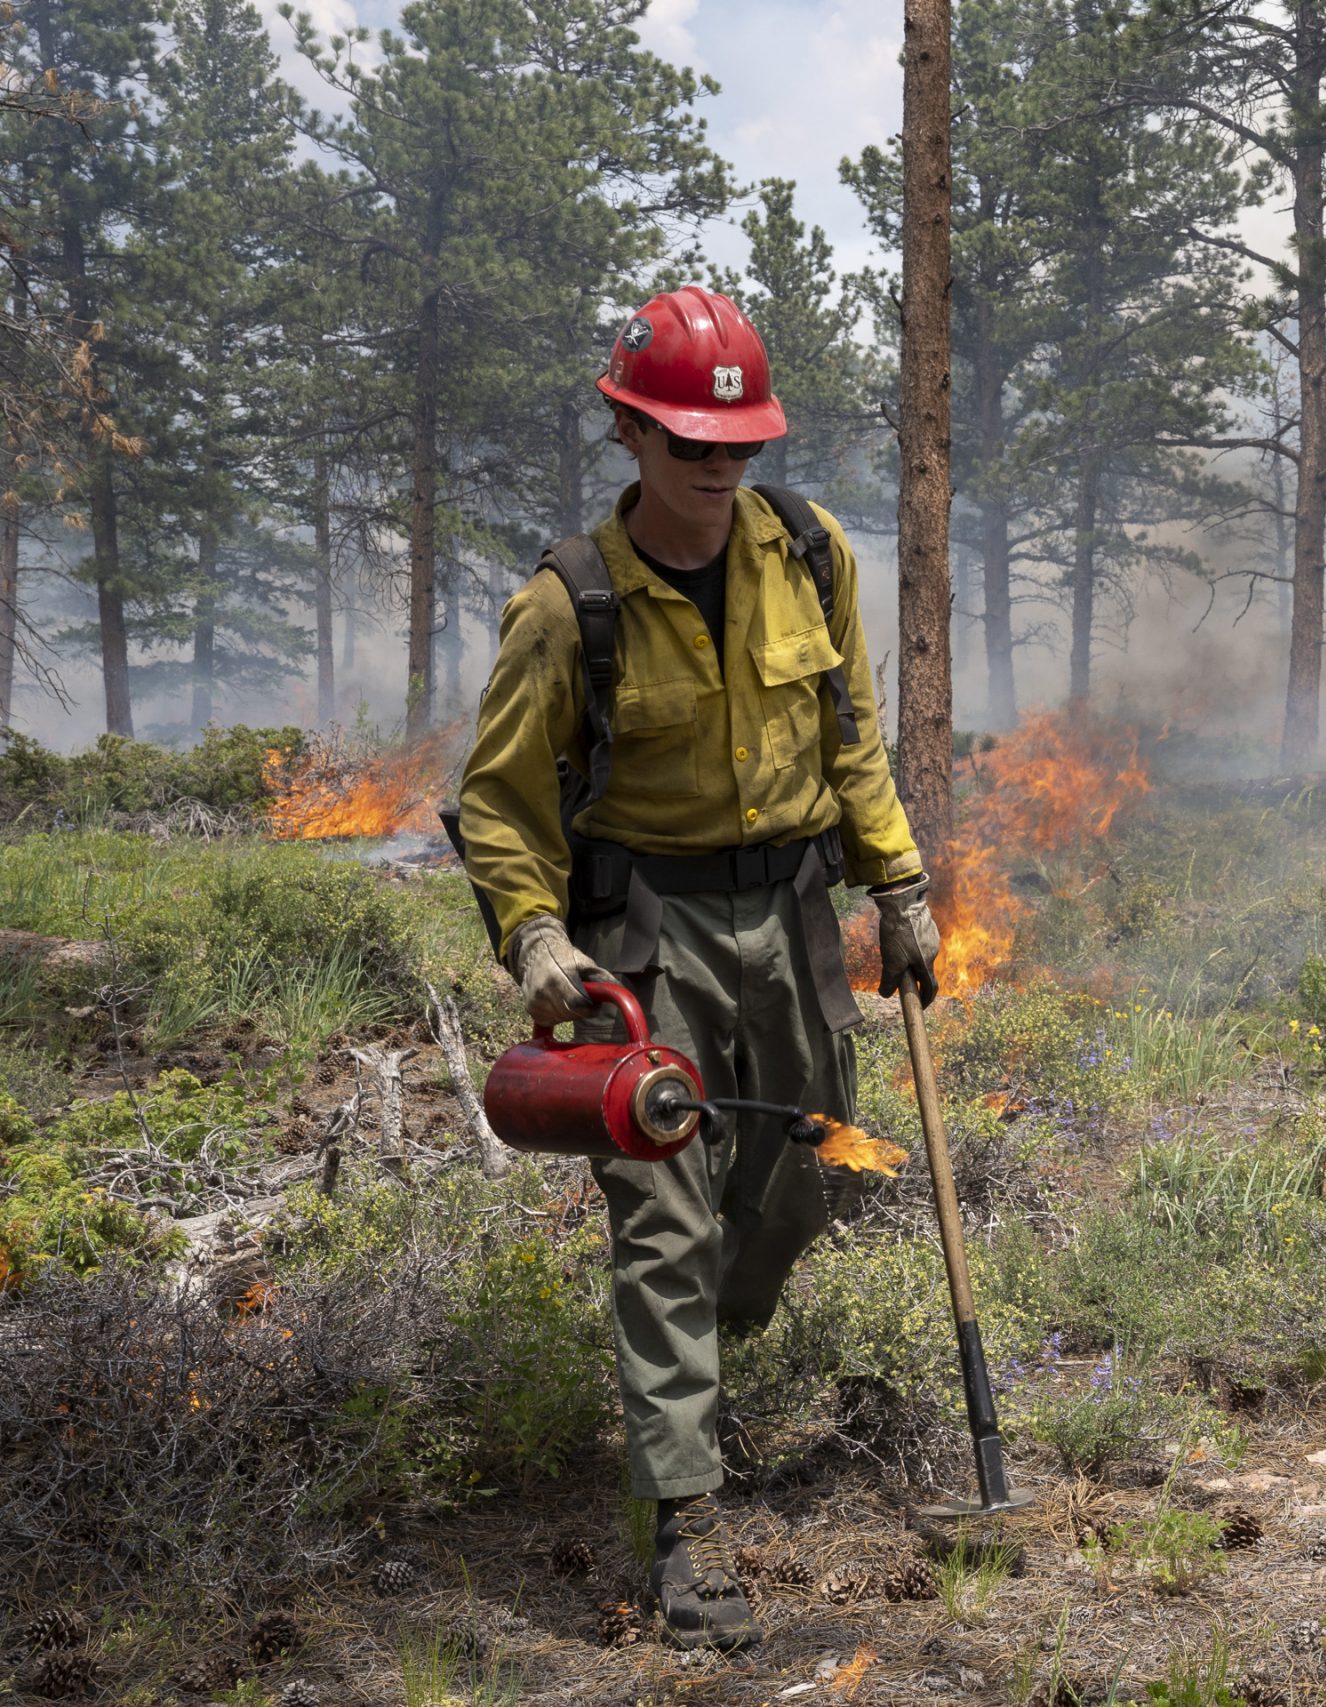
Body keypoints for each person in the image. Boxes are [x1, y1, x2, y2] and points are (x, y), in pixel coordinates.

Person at [454, 285, 941, 1651]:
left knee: (796, 1181)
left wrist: (897, 880)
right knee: (665, 1216)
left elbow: (848, 733)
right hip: (643, 938)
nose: (718, 474)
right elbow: (497, 803)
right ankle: (686, 1520)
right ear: (630, 433)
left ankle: (702, 1365)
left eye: (739, 449)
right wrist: (536, 937)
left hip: (790, 916)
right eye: (690, 449)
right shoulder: (567, 609)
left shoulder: (811, 553)